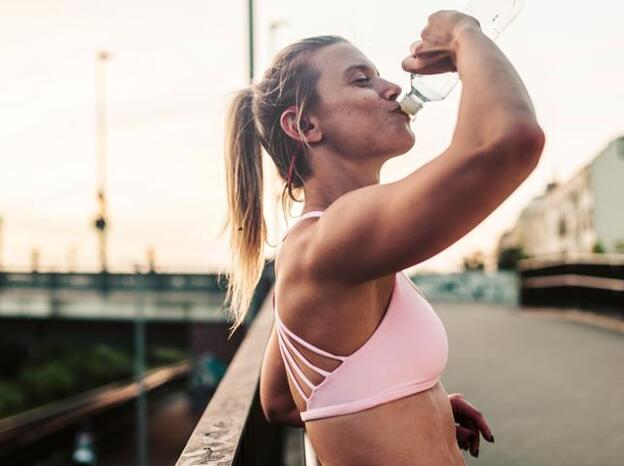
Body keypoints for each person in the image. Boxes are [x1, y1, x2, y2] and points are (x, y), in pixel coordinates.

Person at [221, 10, 545, 466]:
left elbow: (280, 399)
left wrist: (414, 408)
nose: (391, 87)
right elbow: (509, 139)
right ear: (305, 126)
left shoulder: (329, 243)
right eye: (361, 81)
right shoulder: (334, 240)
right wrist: (461, 33)